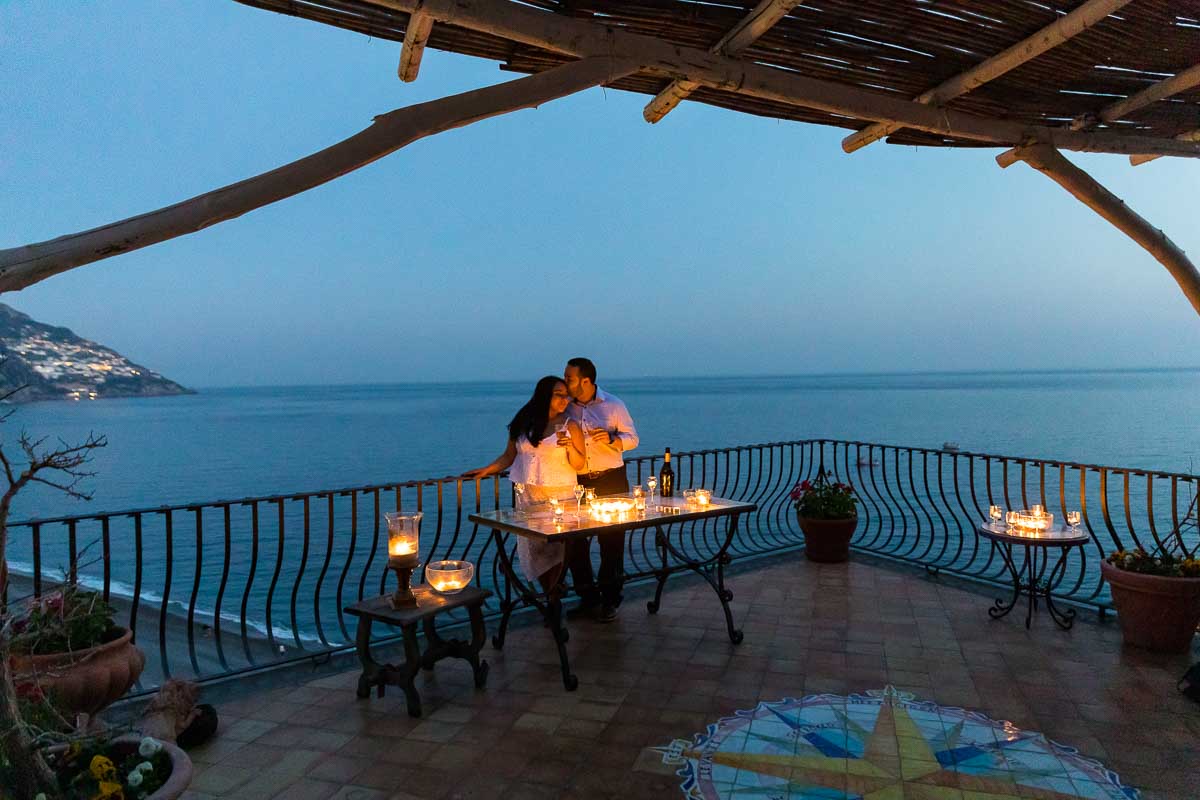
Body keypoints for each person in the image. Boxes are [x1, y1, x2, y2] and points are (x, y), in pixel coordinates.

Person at [463, 376, 586, 592]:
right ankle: (550, 596)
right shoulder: (523, 422)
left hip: (561, 495)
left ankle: (553, 598)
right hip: (529, 494)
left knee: (558, 550)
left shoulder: (569, 426)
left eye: (566, 396)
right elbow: (508, 457)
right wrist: (485, 471)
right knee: (535, 549)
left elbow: (580, 464)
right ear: (544, 395)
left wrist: (569, 447)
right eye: (559, 395)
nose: (565, 400)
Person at [562, 357, 639, 622]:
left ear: (586, 380)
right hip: (579, 482)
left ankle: (611, 599)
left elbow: (633, 440)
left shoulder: (614, 405)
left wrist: (612, 439)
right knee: (575, 543)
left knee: (612, 542)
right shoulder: (566, 408)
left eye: (569, 378)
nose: (566, 382)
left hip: (611, 479)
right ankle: (588, 597)